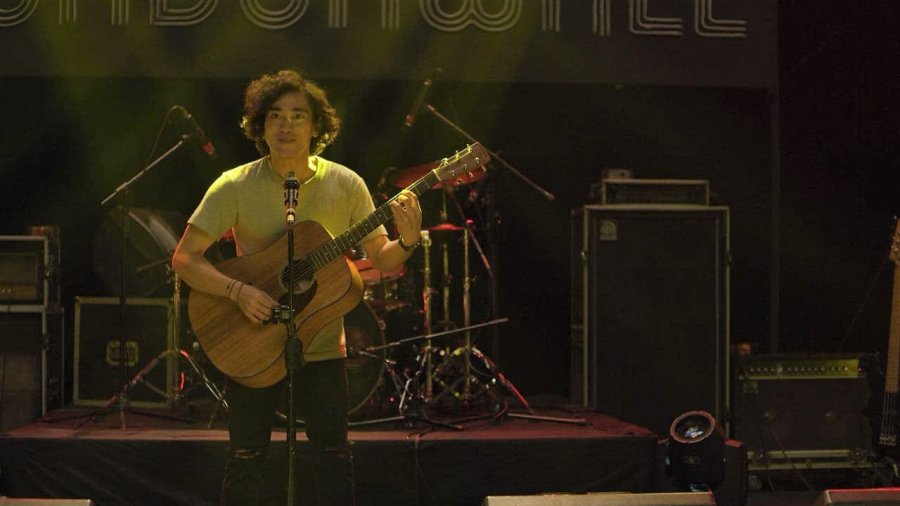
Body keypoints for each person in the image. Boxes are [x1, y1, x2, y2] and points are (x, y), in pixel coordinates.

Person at [172, 69, 422, 505]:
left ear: (316, 125)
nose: (286, 125)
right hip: (251, 341)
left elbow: (382, 257)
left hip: (322, 345)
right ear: (260, 125)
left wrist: (409, 241)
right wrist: (238, 292)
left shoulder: (346, 184)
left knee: (333, 456)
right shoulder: (234, 184)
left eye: (298, 115)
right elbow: (184, 259)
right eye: (275, 115)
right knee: (246, 456)